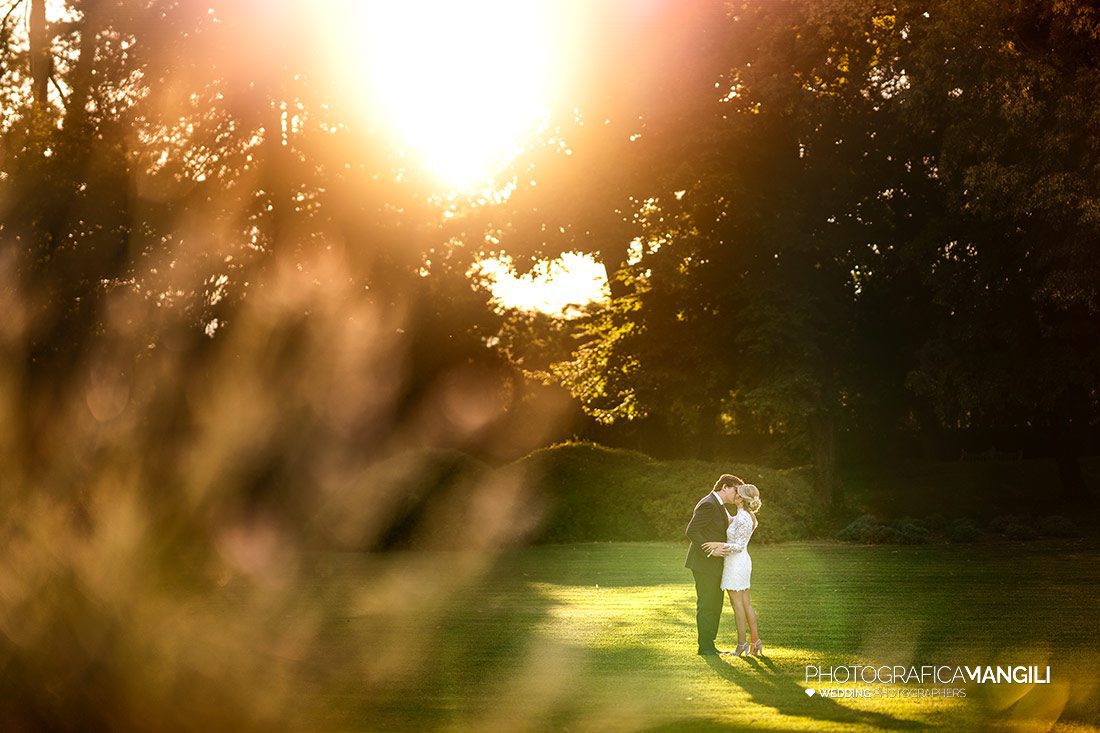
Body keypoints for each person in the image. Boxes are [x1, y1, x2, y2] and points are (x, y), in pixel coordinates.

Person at [684, 474, 744, 655]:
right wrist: (710, 550)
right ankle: (705, 647)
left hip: (715, 565)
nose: (737, 494)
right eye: (735, 490)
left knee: (715, 604)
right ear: (724, 487)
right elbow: (692, 531)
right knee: (707, 604)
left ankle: (710, 645)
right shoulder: (709, 504)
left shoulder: (719, 505)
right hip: (704, 564)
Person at [704, 483, 764, 656]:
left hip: (737, 563)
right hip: (738, 562)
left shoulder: (744, 517)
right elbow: (729, 521)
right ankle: (755, 641)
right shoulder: (742, 515)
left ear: (741, 498)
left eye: (738, 493)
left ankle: (742, 644)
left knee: (738, 605)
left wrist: (717, 545)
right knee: (745, 603)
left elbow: (738, 546)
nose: (735, 494)